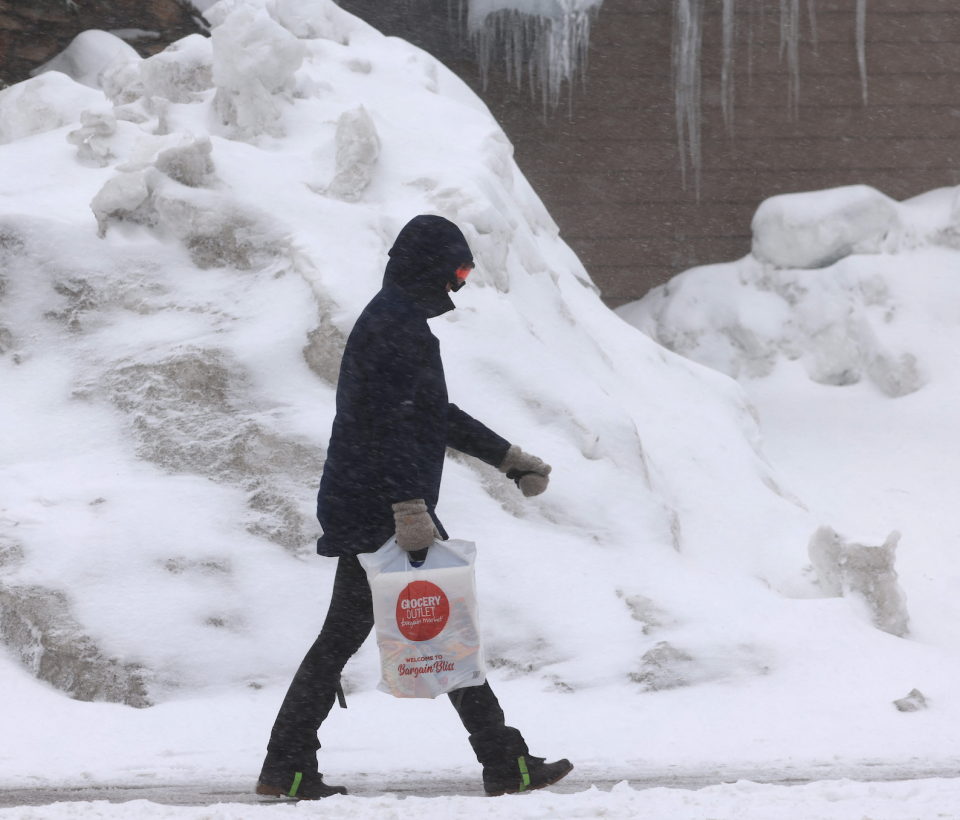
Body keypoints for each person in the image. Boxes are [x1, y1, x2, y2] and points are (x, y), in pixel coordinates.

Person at [255, 215, 570, 800]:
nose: (459, 286)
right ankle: (502, 761)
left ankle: (287, 764)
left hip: (372, 500)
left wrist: (509, 458)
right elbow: (395, 424)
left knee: (374, 636)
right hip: (382, 505)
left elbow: (434, 414)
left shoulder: (398, 323)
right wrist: (408, 508)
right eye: (457, 272)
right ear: (429, 267)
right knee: (438, 627)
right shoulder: (395, 327)